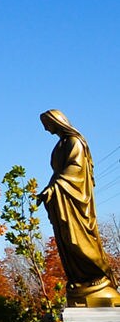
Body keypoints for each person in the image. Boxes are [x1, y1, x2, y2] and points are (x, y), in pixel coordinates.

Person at [37, 109, 120, 305]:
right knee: (66, 240)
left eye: (46, 123)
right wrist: (49, 190)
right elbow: (58, 172)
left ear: (56, 121)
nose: (45, 128)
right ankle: (83, 278)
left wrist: (55, 187)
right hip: (62, 198)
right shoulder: (60, 145)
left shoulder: (75, 142)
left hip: (76, 201)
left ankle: (100, 275)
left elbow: (74, 170)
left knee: (79, 239)